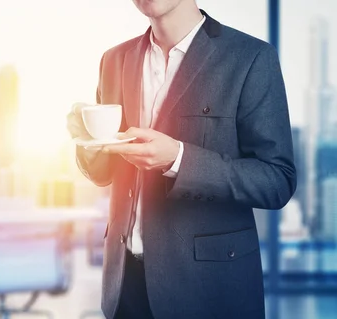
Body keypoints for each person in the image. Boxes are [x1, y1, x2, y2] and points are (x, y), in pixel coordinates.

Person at [67, 1, 297, 318]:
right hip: (124, 285)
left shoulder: (250, 58)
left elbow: (277, 180)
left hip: (206, 288)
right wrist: (87, 141)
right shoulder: (114, 60)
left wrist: (178, 159)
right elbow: (105, 173)